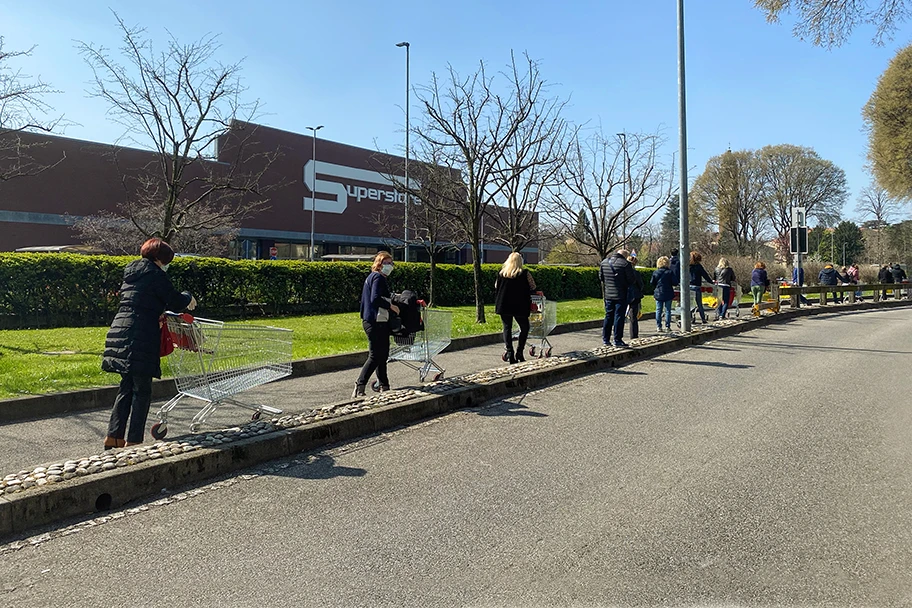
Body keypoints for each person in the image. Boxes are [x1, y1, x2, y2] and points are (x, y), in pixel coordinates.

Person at [101, 238, 196, 450]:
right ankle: (134, 440)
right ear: (160, 259)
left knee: (126, 386)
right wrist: (188, 296)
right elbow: (175, 300)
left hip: (120, 329)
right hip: (141, 333)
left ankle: (113, 437)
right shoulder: (155, 275)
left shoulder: (131, 274)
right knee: (142, 389)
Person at [353, 252, 400, 398]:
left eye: (391, 263)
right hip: (375, 321)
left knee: (382, 354)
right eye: (386, 263)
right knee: (375, 355)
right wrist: (391, 306)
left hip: (375, 321)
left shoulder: (372, 278)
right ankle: (360, 385)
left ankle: (384, 385)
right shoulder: (378, 277)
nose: (389, 266)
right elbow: (375, 298)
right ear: (379, 264)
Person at [494, 252, 536, 364]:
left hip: (504, 304)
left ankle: (510, 352)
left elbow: (496, 286)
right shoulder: (525, 273)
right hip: (520, 305)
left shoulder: (502, 273)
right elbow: (533, 286)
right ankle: (520, 352)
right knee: (525, 327)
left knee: (507, 328)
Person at [599, 248, 636, 347]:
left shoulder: (604, 262)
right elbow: (631, 280)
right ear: (625, 256)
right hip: (621, 294)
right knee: (619, 317)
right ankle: (617, 339)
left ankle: (606, 339)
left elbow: (601, 277)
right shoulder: (625, 264)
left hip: (608, 295)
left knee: (608, 316)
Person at [651, 256, 675, 332]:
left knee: (658, 310)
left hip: (658, 292)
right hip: (668, 292)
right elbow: (675, 282)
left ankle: (659, 326)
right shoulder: (670, 272)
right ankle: (667, 326)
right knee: (668, 310)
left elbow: (652, 282)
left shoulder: (656, 272)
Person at [688, 251, 713, 324]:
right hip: (697, 286)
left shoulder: (688, 266)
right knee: (699, 304)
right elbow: (705, 275)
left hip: (689, 286)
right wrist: (711, 282)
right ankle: (703, 318)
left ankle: (689, 317)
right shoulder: (699, 266)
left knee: (689, 304)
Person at [626, 254, 644, 339]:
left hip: (624, 294)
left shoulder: (623, 272)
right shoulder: (636, 273)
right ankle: (634, 335)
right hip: (634, 295)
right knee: (633, 317)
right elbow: (640, 285)